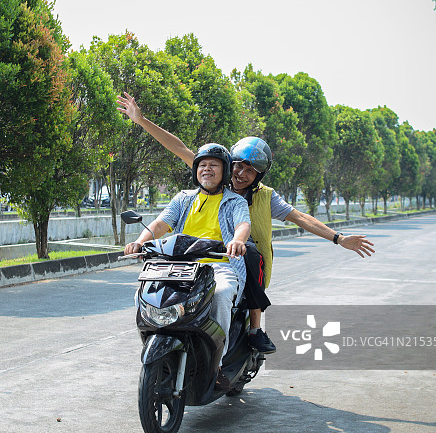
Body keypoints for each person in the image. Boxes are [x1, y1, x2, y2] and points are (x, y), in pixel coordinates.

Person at [117, 92, 376, 354]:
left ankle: (253, 330)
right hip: (192, 256)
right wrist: (141, 121)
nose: (241, 175)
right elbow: (179, 149)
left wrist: (338, 238)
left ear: (258, 176)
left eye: (250, 171)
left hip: (237, 254)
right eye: (238, 167)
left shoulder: (264, 197)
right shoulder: (209, 181)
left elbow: (300, 218)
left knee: (250, 255)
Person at [124, 143, 251, 363]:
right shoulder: (183, 198)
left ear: (225, 172)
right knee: (142, 294)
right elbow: (160, 224)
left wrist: (238, 241)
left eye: (214, 165)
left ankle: (217, 361)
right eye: (202, 165)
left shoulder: (235, 201)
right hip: (179, 265)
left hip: (218, 264)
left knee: (221, 294)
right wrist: (139, 242)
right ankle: (155, 342)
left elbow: (243, 224)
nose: (207, 169)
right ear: (195, 170)